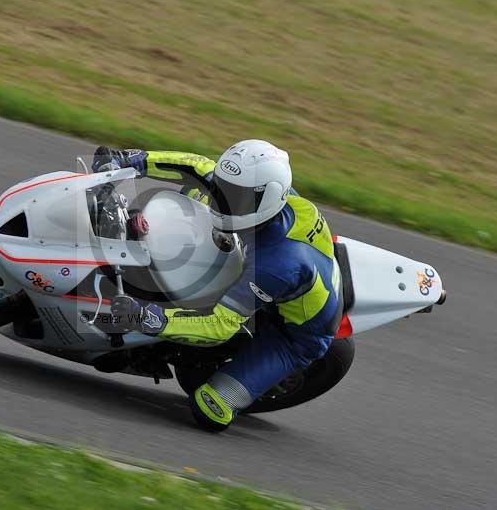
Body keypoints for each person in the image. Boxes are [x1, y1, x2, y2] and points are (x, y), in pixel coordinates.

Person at [93, 140, 343, 431]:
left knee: (209, 409)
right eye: (224, 188)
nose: (221, 199)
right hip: (277, 274)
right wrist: (132, 159)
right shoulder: (258, 196)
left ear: (266, 198)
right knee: (190, 205)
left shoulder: (276, 264)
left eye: (233, 195)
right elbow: (198, 167)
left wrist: (147, 317)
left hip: (294, 335)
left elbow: (220, 326)